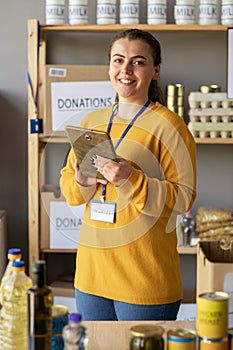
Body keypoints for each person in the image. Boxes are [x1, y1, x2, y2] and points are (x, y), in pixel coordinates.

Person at [60, 28, 196, 321]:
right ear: (109, 67)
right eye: (118, 60)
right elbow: (70, 188)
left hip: (144, 281)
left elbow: (183, 199)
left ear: (155, 70)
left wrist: (129, 179)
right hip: (91, 278)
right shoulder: (93, 121)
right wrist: (82, 182)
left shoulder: (170, 126)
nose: (126, 70)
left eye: (138, 62)